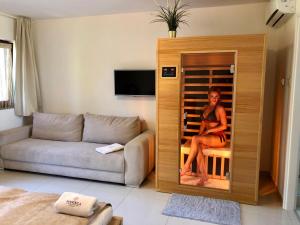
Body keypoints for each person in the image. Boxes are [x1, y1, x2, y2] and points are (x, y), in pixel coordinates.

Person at [181, 87, 228, 185]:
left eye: (216, 96)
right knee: (197, 146)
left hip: (219, 137)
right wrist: (199, 135)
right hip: (209, 137)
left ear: (219, 97)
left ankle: (186, 166)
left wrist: (209, 130)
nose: (214, 99)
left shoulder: (220, 109)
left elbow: (224, 126)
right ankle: (204, 176)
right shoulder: (205, 108)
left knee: (195, 139)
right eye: (212, 96)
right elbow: (203, 124)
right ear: (208, 97)